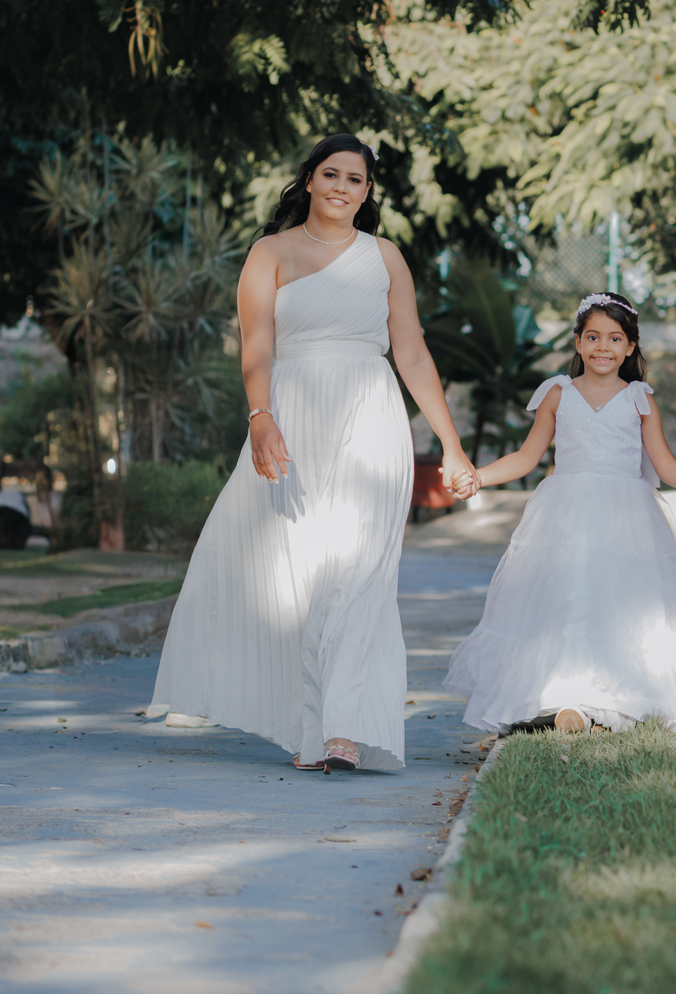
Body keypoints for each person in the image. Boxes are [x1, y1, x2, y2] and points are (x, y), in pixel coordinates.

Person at [147, 135, 478, 772]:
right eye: (331, 174)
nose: (341, 188)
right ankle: (312, 728)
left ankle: (344, 730)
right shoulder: (269, 253)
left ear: (368, 191)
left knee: (358, 571)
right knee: (301, 575)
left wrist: (451, 443)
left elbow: (411, 354)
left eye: (355, 179)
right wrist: (260, 416)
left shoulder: (385, 257)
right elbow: (256, 347)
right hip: (293, 416)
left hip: (371, 416)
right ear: (308, 179)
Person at [446, 292, 676, 737]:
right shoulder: (558, 394)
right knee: (567, 600)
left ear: (630, 347)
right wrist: (478, 476)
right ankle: (564, 696)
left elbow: (665, 465)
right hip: (565, 514)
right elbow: (526, 457)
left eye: (614, 338)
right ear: (577, 342)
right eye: (592, 337)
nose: (602, 347)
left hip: (625, 519)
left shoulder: (639, 399)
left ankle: (615, 698)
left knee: (622, 605)